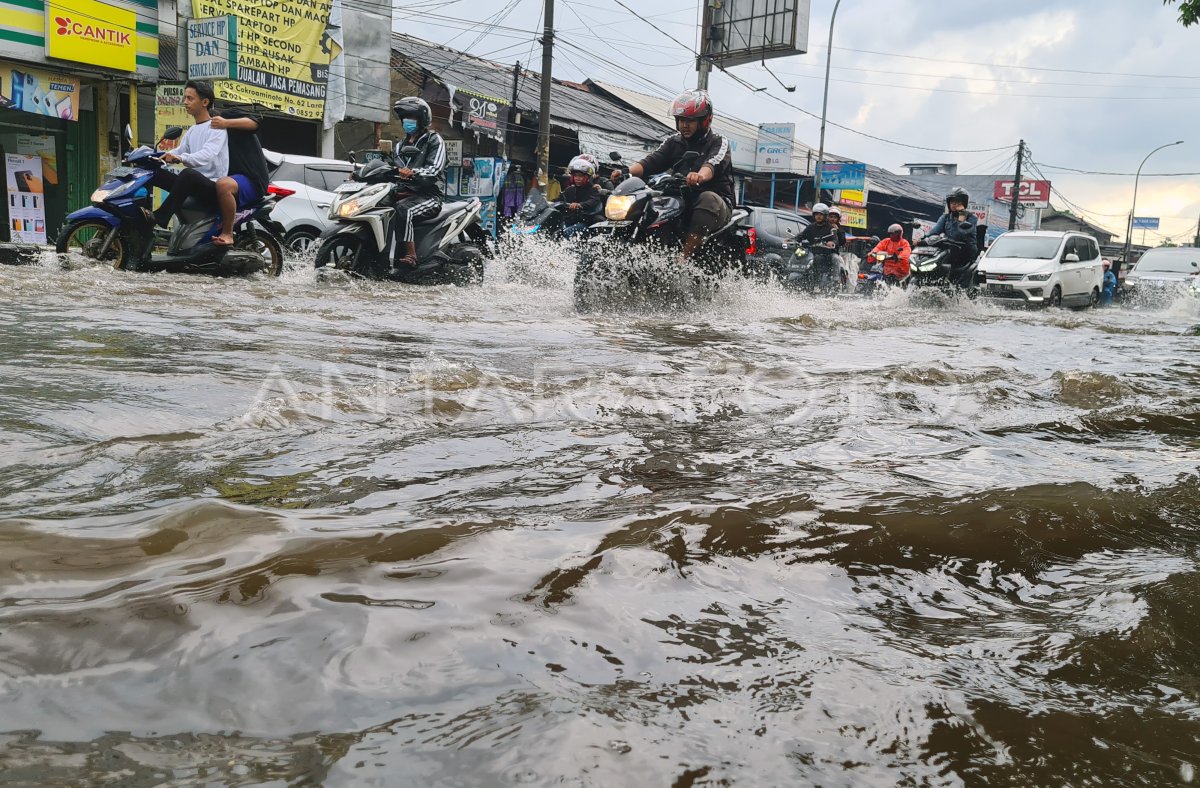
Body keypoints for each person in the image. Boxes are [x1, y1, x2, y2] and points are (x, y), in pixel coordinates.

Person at [612, 89, 733, 260]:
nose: (684, 125)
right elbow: (651, 161)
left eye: (690, 120)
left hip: (716, 203)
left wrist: (699, 176)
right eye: (681, 120)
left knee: (708, 199)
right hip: (681, 196)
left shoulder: (718, 142)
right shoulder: (673, 141)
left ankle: (683, 258)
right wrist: (625, 172)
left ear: (705, 120)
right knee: (650, 201)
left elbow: (712, 164)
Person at [151, 80, 227, 229]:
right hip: (194, 185)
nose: (185, 102)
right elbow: (179, 151)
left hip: (213, 186)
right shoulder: (192, 130)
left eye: (190, 98)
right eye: (185, 98)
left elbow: (208, 154)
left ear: (205, 102)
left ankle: (161, 216)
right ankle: (140, 215)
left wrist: (181, 158)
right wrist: (156, 157)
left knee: (188, 174)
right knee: (154, 174)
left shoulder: (216, 128)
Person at [389, 96, 446, 270]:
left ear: (421, 120)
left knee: (403, 209)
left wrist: (413, 172)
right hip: (405, 192)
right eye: (405, 117)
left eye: (411, 117)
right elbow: (391, 168)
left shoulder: (434, 141)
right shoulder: (399, 146)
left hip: (429, 195)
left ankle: (411, 255)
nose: (407, 121)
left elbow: (434, 169)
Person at [209, 105, 270, 246]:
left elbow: (255, 122)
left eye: (190, 98)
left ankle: (227, 233)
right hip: (230, 177)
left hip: (251, 179)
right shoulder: (202, 131)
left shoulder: (227, 115)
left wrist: (225, 123)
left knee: (224, 185)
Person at [927, 188, 979, 275]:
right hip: (949, 249)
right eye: (952, 202)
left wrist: (962, 214)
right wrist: (923, 239)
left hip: (965, 251)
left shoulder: (971, 218)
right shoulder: (945, 217)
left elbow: (960, 233)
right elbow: (934, 231)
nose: (954, 204)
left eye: (957, 202)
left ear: (963, 204)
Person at [558, 156, 604, 238]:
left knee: (565, 234)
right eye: (575, 176)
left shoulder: (593, 190)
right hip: (570, 220)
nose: (577, 178)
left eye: (580, 176)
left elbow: (593, 201)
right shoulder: (570, 189)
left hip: (585, 223)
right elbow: (559, 200)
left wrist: (579, 205)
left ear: (587, 177)